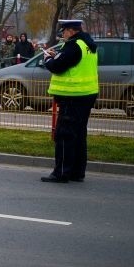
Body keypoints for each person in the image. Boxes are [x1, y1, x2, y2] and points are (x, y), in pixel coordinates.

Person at [40, 19, 99, 183]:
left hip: (72, 96)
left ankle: (61, 173)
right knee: (79, 135)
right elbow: (70, 61)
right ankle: (77, 172)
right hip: (86, 94)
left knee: (64, 135)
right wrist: (57, 56)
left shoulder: (74, 45)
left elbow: (58, 67)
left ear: (72, 31)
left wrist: (47, 60)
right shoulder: (87, 44)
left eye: (64, 31)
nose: (62, 34)